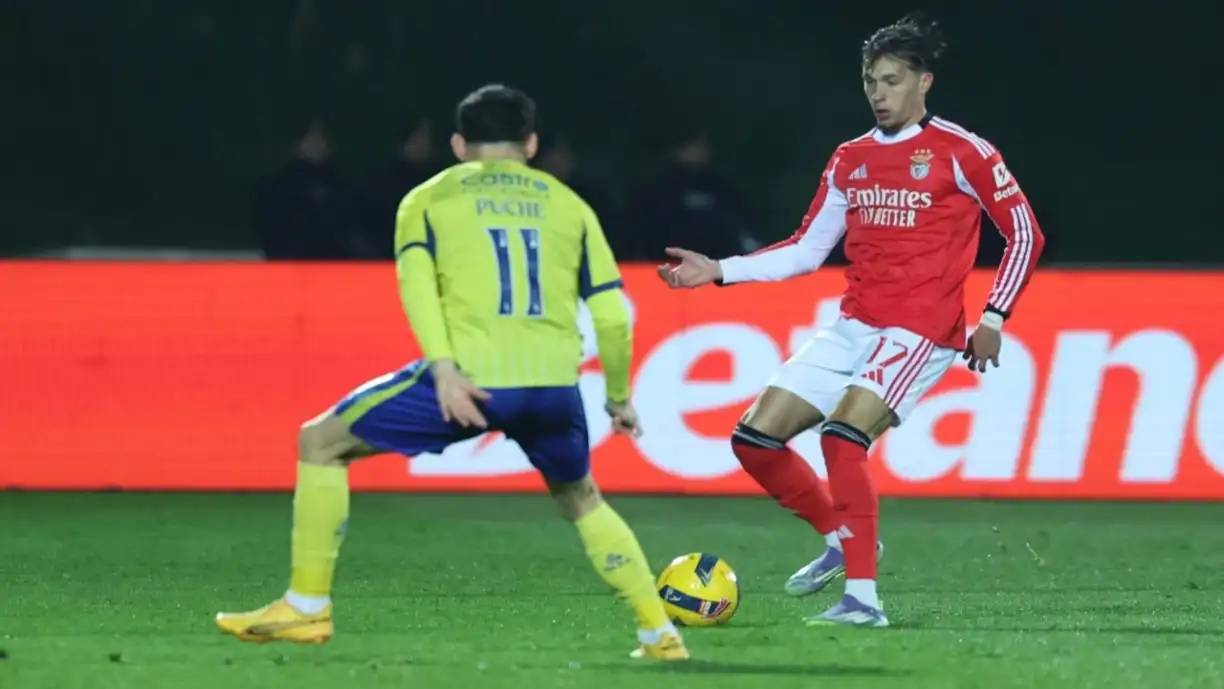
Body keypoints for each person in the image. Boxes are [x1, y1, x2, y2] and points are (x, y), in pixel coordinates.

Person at [215, 84, 688, 661]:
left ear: (460, 145)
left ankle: (306, 606)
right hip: (553, 389)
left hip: (473, 381)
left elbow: (418, 290)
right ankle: (659, 634)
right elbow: (612, 316)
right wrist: (617, 397)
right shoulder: (572, 206)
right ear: (531, 144)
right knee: (582, 498)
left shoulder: (428, 199)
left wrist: (443, 370)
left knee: (320, 442)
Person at [658, 14, 1045, 628]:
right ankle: (843, 540)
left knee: (842, 436)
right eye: (871, 81)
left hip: (922, 330)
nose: (879, 93)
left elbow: (1024, 232)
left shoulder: (963, 152)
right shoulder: (851, 158)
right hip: (855, 325)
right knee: (754, 440)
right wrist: (720, 269)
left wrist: (994, 316)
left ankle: (863, 601)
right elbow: (807, 249)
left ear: (924, 81)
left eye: (892, 80)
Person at [253, 119, 360, 260]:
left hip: (336, 265)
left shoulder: (338, 184)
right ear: (297, 143)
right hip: (294, 264)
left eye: (322, 138)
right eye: (312, 138)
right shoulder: (278, 187)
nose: (320, 143)